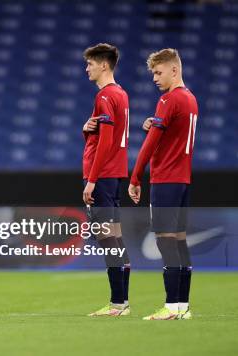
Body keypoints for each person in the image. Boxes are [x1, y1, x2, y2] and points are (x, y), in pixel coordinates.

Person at [129, 49, 198, 320]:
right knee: (179, 242)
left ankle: (171, 307)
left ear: (174, 70)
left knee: (165, 242)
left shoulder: (169, 100)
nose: (155, 79)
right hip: (182, 179)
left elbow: (151, 145)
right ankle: (182, 307)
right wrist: (154, 125)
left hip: (165, 179)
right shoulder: (190, 99)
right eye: (153, 74)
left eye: (158, 72)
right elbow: (172, 134)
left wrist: (135, 176)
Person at [81, 43, 131, 317]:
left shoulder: (105, 96)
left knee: (107, 239)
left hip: (102, 177)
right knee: (115, 239)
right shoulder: (120, 94)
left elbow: (106, 143)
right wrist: (86, 130)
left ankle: (118, 304)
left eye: (90, 63)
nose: (86, 68)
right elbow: (104, 138)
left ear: (103, 65)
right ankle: (120, 302)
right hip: (114, 175)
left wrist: (92, 180)